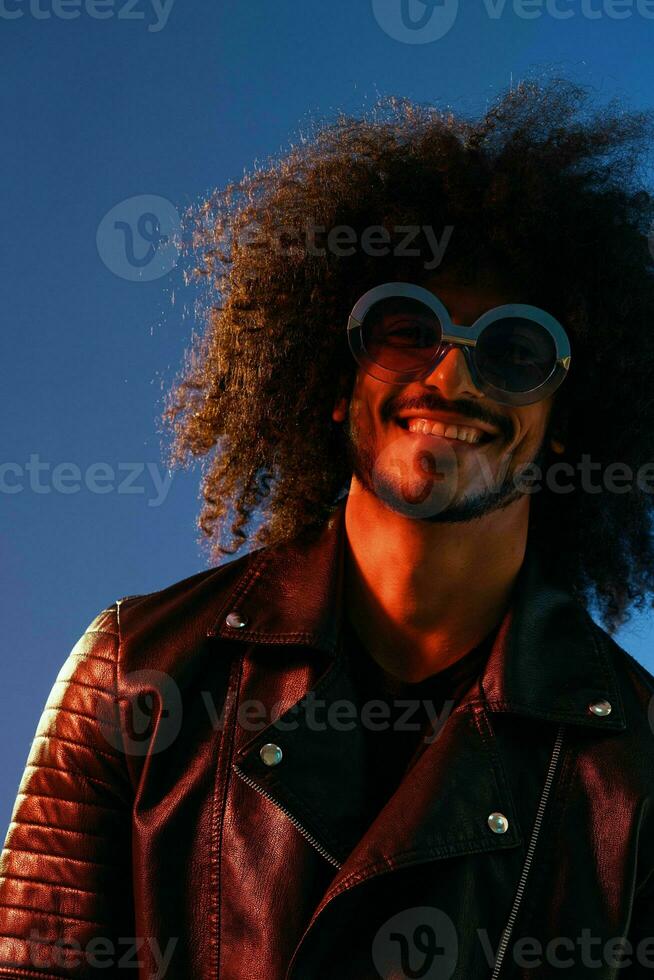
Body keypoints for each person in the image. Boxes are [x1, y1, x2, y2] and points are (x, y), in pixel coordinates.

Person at [2, 76, 654, 979]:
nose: (452, 379)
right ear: (329, 379)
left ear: (573, 413)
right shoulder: (135, 678)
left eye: (512, 350)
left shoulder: (638, 763)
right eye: (405, 329)